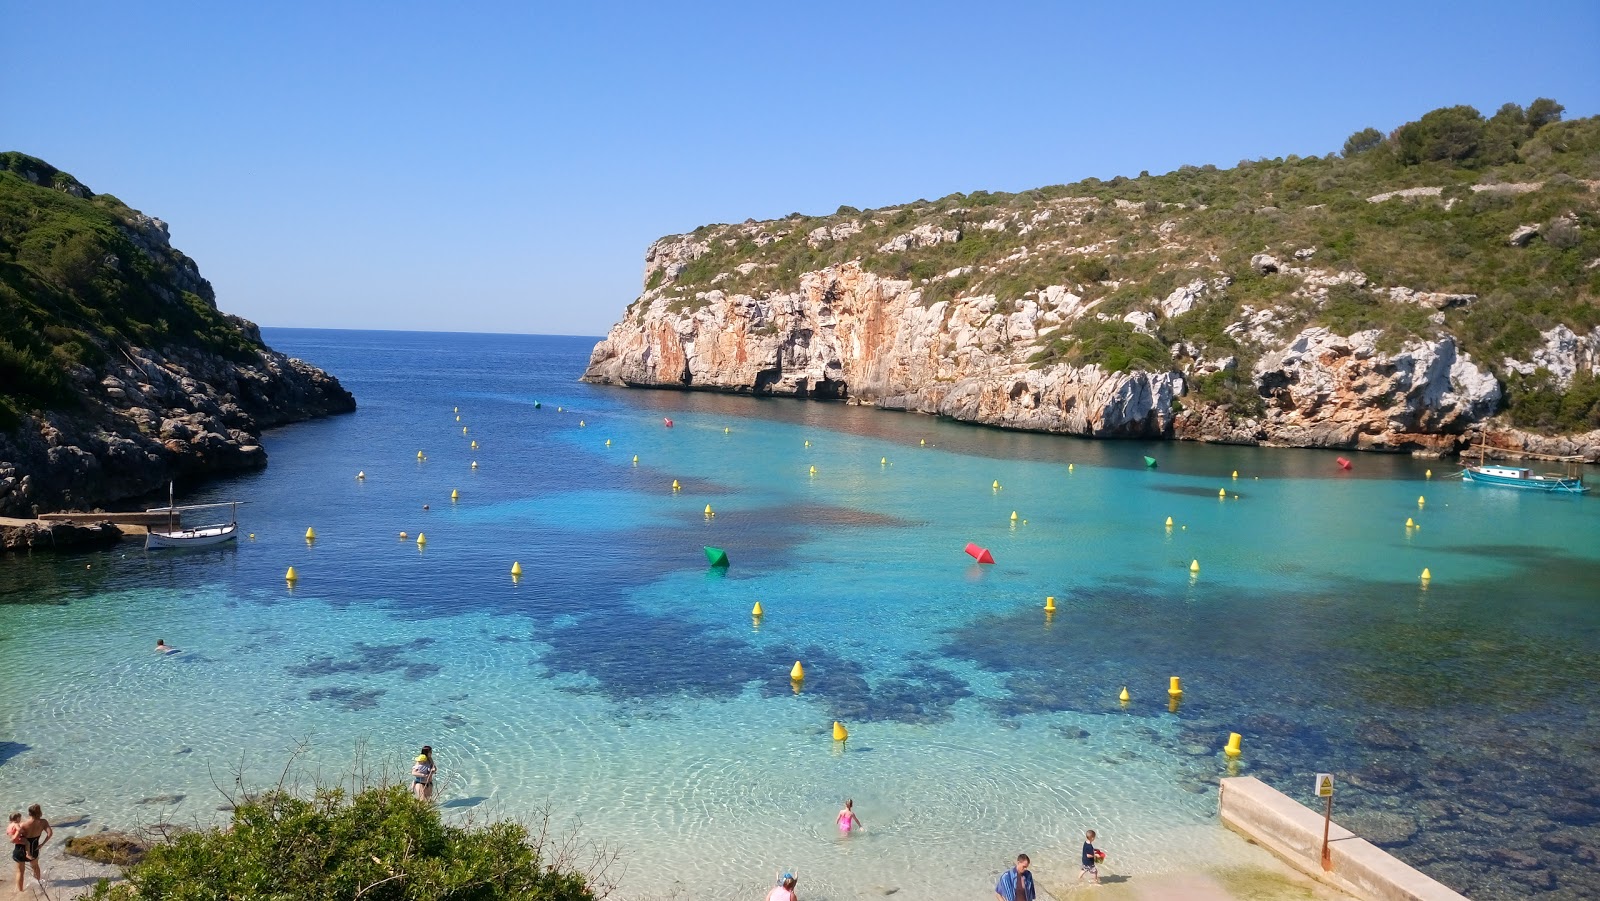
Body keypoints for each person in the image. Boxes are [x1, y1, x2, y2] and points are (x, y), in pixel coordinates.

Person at [18, 805, 50, 892]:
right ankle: (39, 886)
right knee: (35, 867)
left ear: (29, 813)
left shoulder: (23, 824)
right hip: (34, 848)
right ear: (40, 812)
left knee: (20, 872)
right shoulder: (43, 822)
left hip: (21, 849)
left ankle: (21, 892)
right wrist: (42, 844)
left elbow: (16, 836)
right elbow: (50, 834)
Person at [8, 813, 24, 892]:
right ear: (17, 818)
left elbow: (9, 833)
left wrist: (13, 838)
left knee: (19, 871)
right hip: (20, 843)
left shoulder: (9, 825)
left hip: (16, 847)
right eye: (20, 818)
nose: (20, 820)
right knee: (21, 871)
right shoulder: (16, 824)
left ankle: (20, 890)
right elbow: (19, 830)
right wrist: (22, 831)